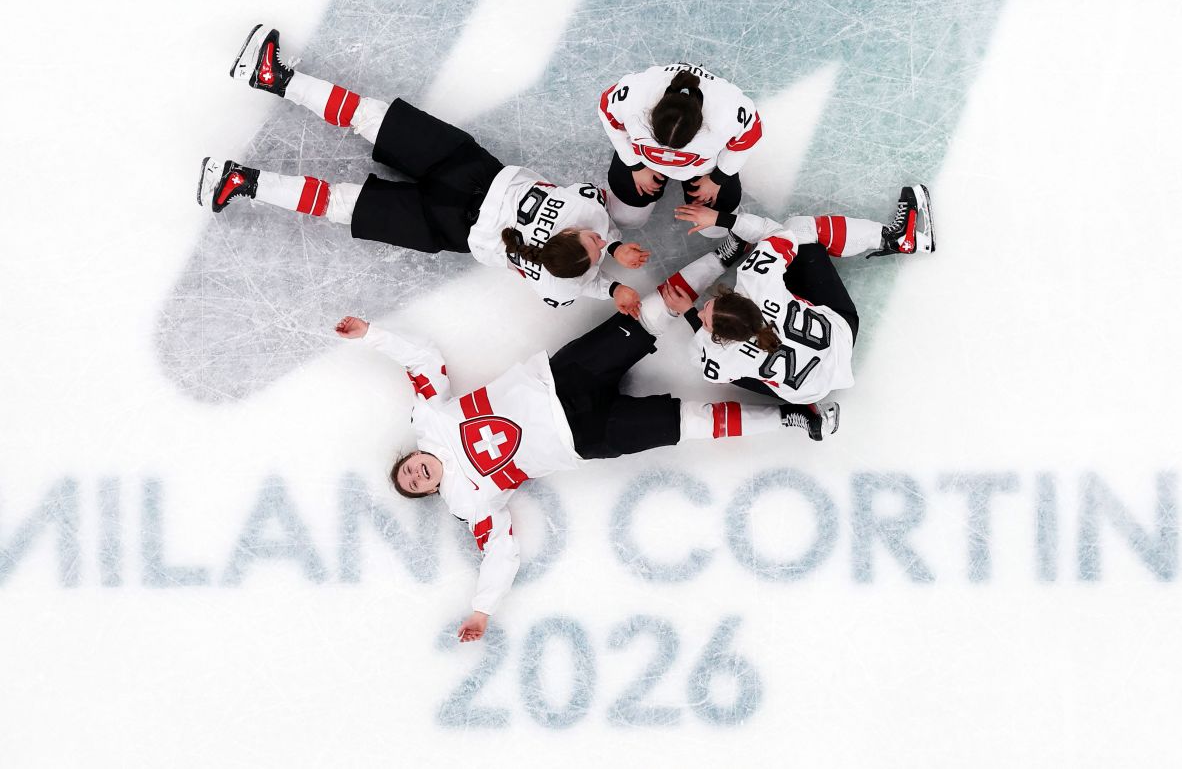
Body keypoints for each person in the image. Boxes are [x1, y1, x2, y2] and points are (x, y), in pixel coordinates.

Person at [335, 246, 839, 642]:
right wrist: (483, 611)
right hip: (587, 438)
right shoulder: (470, 503)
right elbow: (501, 553)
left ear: (410, 456)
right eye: (417, 487)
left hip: (563, 380)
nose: (417, 477)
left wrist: (370, 335)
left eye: (408, 471)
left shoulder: (430, 417)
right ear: (430, 495)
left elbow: (423, 360)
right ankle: (791, 420)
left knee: (651, 314)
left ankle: (719, 258)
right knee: (690, 423)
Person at [197, 25, 650, 315]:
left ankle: (239, 182)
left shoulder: (578, 236)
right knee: (368, 120)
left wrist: (610, 277)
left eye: (592, 246)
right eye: (595, 244)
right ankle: (273, 78)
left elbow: (579, 274)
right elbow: (585, 263)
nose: (598, 239)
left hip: (452, 218)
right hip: (470, 179)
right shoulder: (585, 222)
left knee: (343, 200)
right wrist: (610, 259)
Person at [662, 185, 935, 405]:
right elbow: (781, 235)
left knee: (729, 372)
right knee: (798, 229)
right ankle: (895, 237)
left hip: (811, 390)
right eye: (706, 311)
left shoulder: (719, 354)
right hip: (837, 337)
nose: (699, 311)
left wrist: (689, 314)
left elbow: (712, 368)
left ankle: (801, 406)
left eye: (704, 316)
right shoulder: (756, 280)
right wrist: (721, 220)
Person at [597, 63, 762, 238]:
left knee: (716, 229)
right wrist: (635, 165)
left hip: (706, 169)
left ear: (701, 126)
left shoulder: (727, 110)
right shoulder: (635, 96)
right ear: (651, 115)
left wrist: (717, 178)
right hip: (644, 161)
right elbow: (609, 118)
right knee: (626, 218)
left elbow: (747, 140)